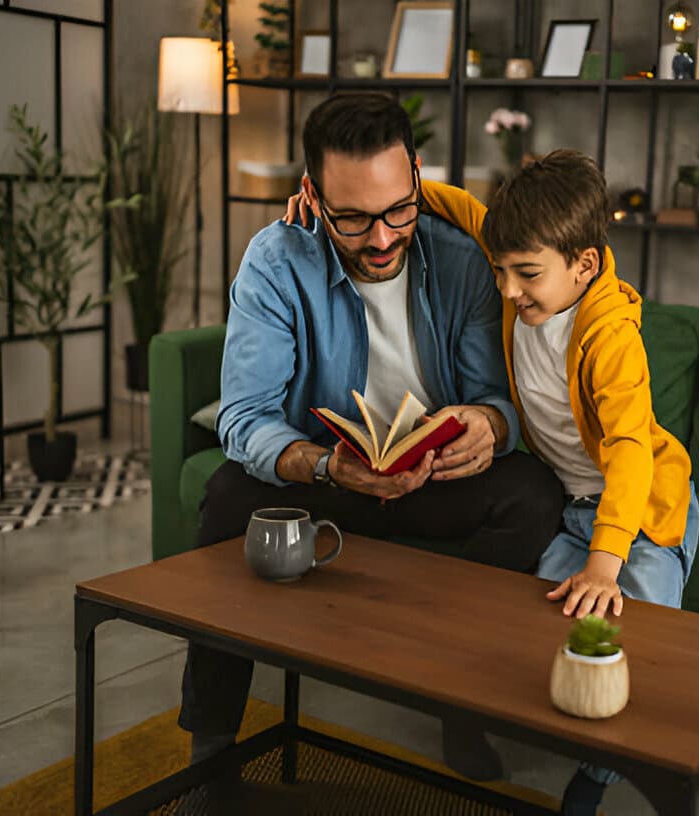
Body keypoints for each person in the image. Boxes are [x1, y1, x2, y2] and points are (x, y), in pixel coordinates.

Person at [288, 149, 699, 816]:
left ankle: (598, 776)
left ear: (583, 264)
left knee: (632, 619)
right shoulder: (513, 259)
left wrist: (607, 565)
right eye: (499, 271)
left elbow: (633, 452)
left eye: (526, 274)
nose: (509, 289)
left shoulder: (610, 337)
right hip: (573, 505)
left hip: (634, 504)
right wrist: (339, 203)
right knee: (538, 607)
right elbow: (434, 200)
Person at [181, 92, 564, 786]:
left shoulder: (462, 259)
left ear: (417, 176)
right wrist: (327, 465)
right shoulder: (275, 262)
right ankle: (211, 741)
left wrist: (491, 427)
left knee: (534, 497)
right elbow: (244, 418)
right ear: (312, 195)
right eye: (352, 218)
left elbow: (493, 395)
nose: (383, 239)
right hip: (332, 482)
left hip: (437, 478)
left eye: (397, 210)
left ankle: (459, 699)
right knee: (228, 496)